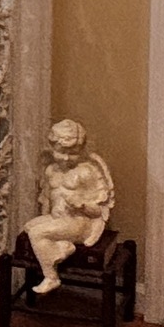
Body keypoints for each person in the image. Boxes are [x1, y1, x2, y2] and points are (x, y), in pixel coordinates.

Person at [24, 119, 116, 292]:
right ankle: (62, 248)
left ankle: (51, 277)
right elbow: (46, 200)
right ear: (52, 148)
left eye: (72, 153)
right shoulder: (51, 170)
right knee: (29, 227)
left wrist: (81, 205)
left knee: (38, 233)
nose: (66, 158)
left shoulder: (86, 172)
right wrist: (46, 218)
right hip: (60, 219)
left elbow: (100, 211)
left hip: (80, 223)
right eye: (61, 152)